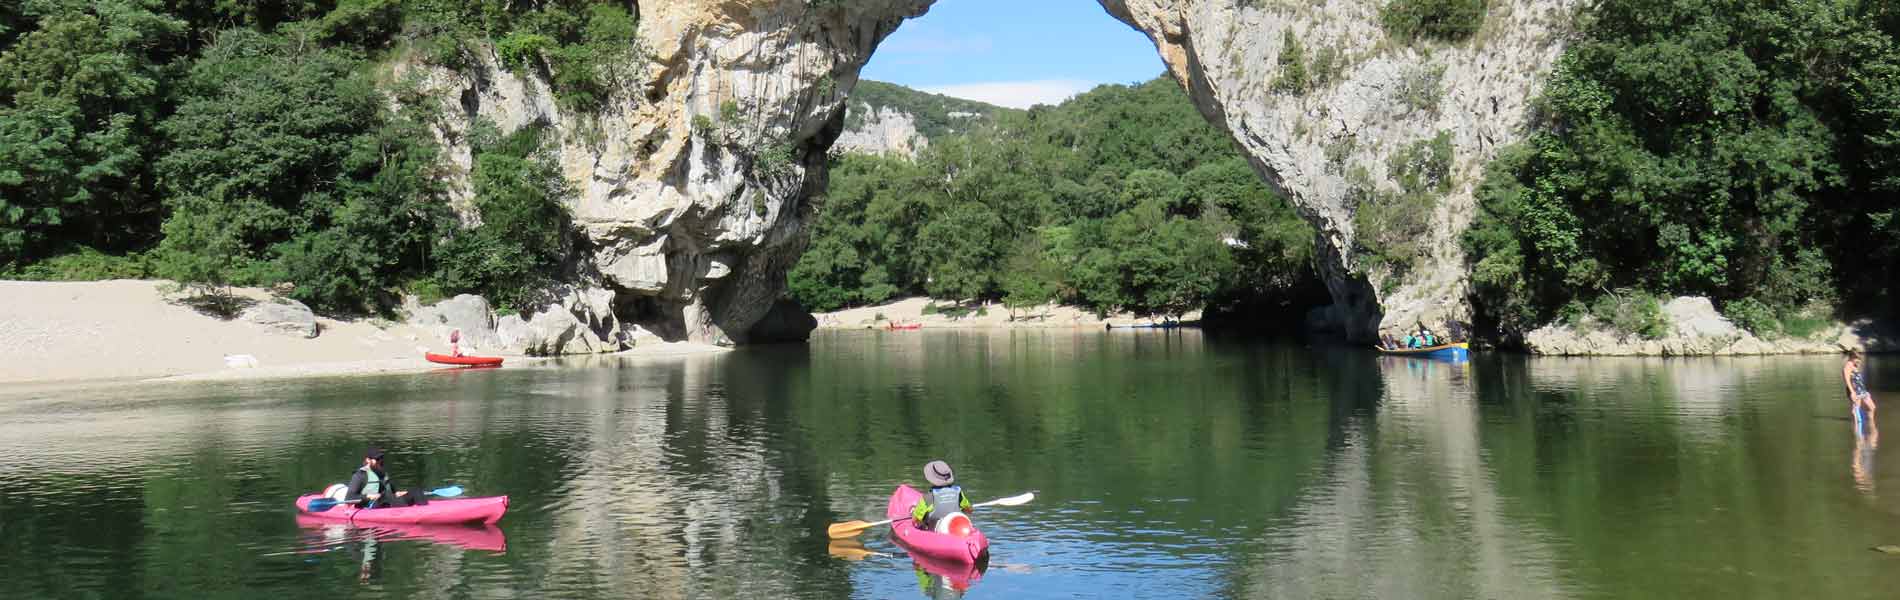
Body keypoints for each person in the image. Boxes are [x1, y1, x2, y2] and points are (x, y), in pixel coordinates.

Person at [345, 447, 427, 509]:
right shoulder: (360, 475)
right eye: (377, 459)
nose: (380, 461)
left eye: (381, 458)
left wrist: (397, 493)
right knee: (385, 496)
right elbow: (349, 498)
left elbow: (394, 492)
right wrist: (368, 496)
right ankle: (409, 512)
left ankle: (425, 511)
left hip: (389, 501)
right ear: (368, 460)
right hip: (372, 505)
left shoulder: (382, 473)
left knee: (416, 490)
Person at [910, 460, 973, 531]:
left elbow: (915, 520)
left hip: (936, 530)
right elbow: (969, 510)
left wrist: (915, 515)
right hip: (955, 527)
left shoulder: (928, 497)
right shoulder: (958, 492)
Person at [1846, 350, 1877, 428]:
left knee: (1872, 407)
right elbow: (1847, 380)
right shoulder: (1847, 367)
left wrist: (1865, 390)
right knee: (1856, 410)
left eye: (1859, 359)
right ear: (1852, 358)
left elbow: (1858, 379)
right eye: (1857, 359)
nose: (1859, 360)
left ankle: (1871, 424)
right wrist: (1852, 392)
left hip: (1862, 389)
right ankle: (1857, 432)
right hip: (1855, 390)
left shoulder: (1855, 365)